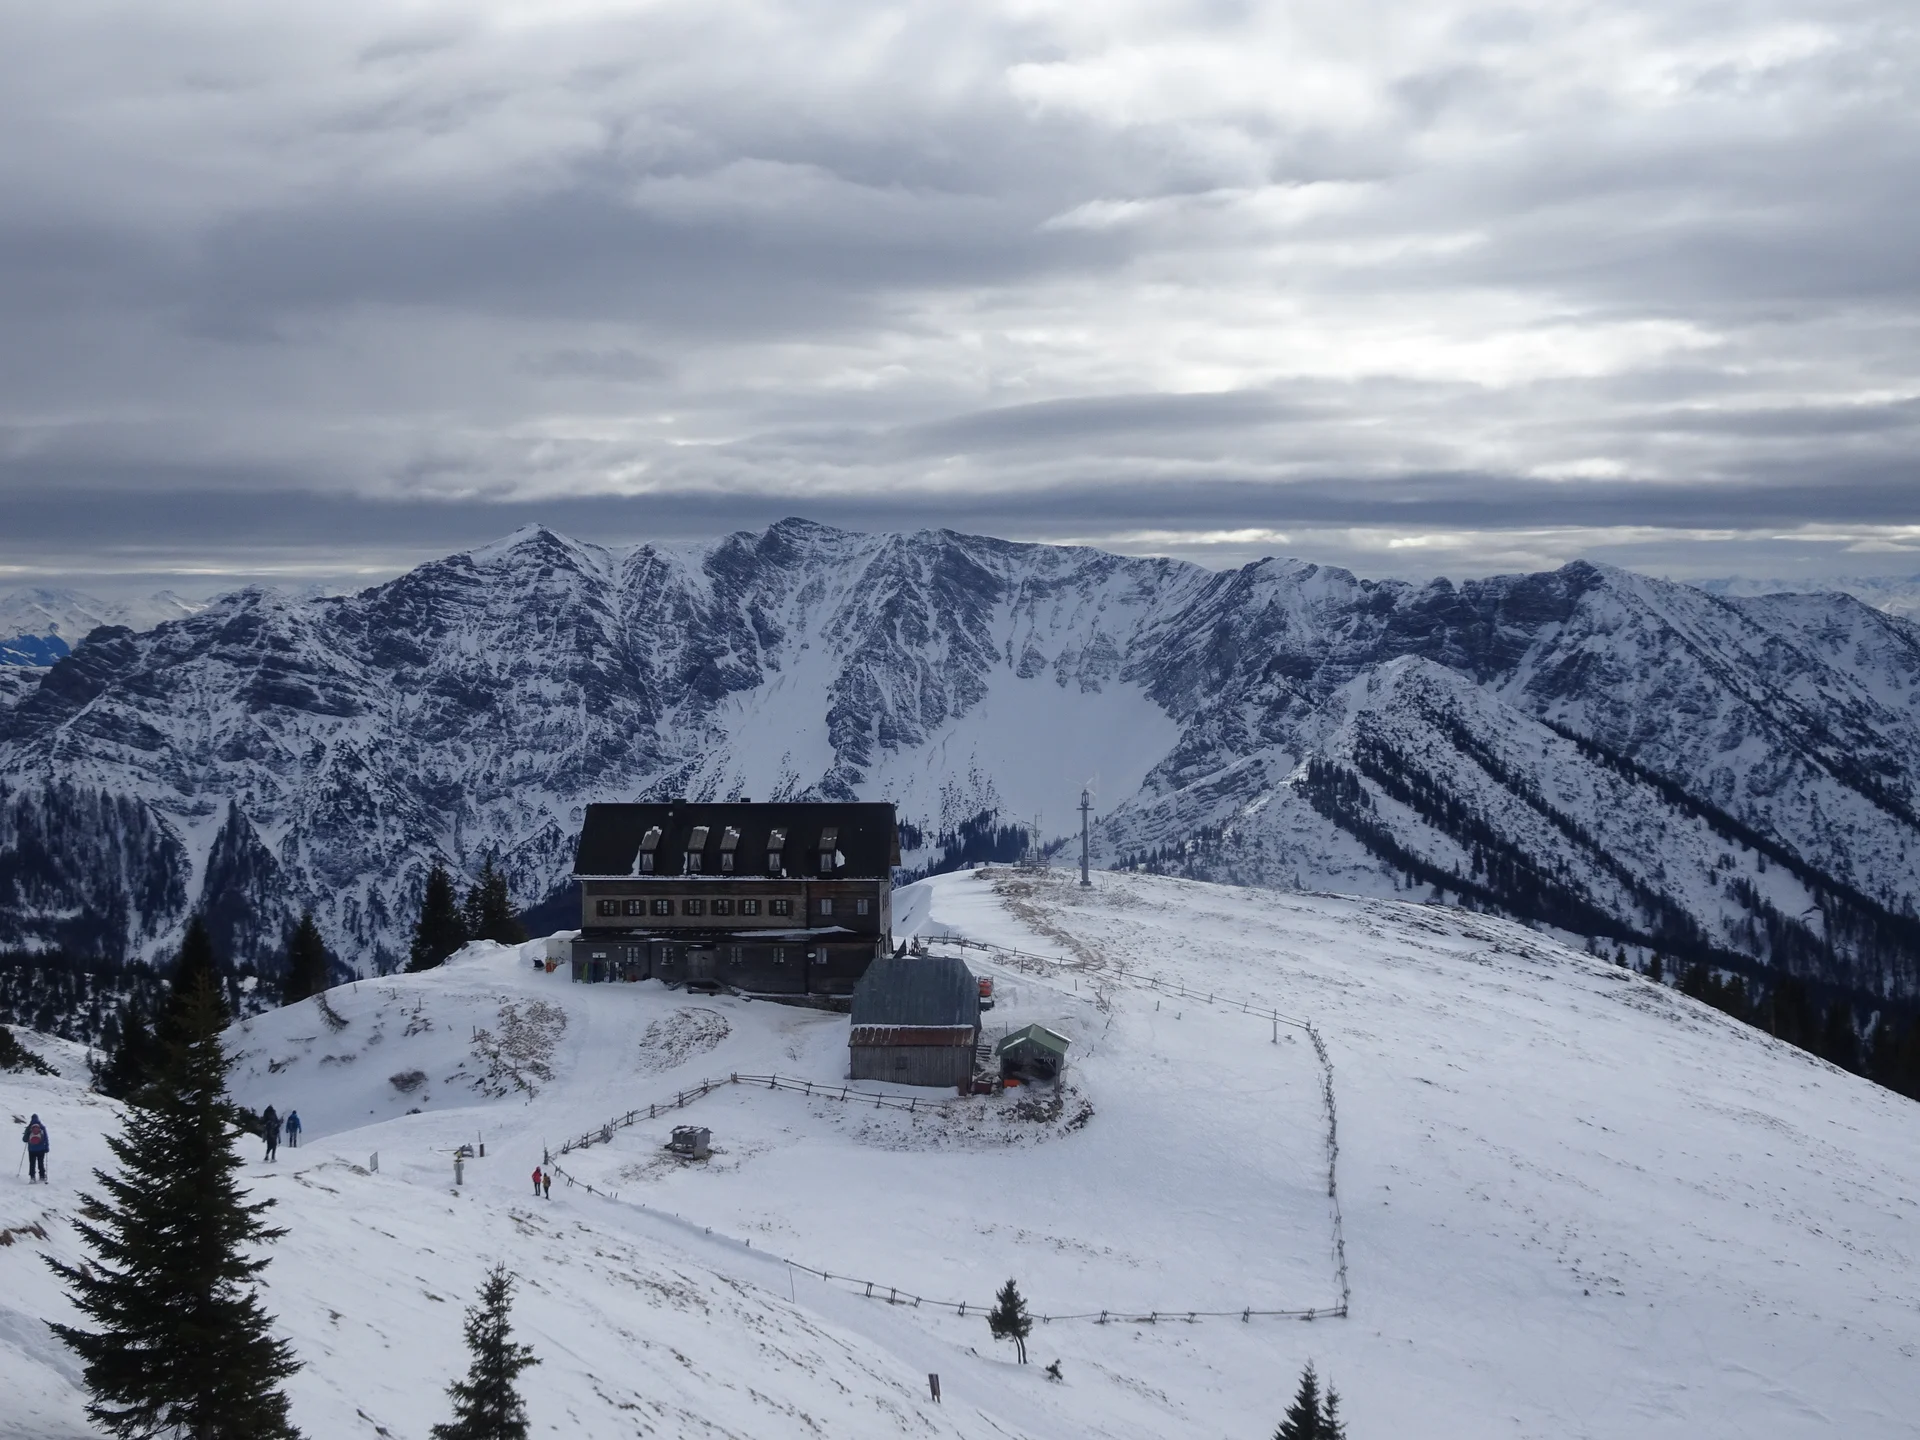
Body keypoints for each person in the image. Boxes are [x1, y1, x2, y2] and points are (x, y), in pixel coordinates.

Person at [22, 1114, 49, 1184]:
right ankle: (42, 1176)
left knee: (32, 1163)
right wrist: (46, 1147)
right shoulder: (42, 1127)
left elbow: (24, 1139)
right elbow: (46, 1138)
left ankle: (32, 1177)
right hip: (41, 1149)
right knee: (41, 1163)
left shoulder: (29, 1127)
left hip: (31, 1149)